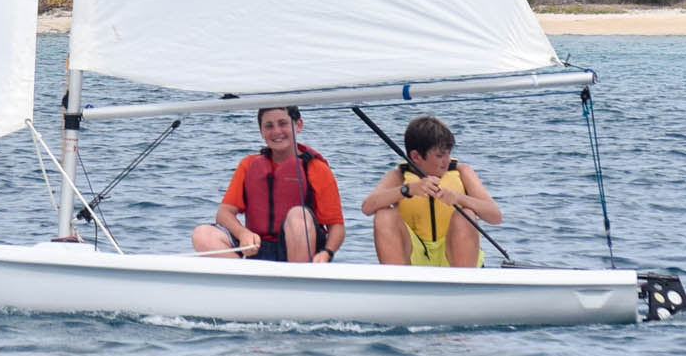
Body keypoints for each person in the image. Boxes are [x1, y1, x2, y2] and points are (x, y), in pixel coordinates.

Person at [191, 105, 343, 262]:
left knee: (298, 216)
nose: (276, 131)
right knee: (202, 234)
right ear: (261, 131)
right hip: (256, 248)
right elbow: (224, 213)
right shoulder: (248, 165)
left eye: (283, 123)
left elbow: (336, 227)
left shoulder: (317, 169)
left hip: (302, 247)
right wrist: (243, 234)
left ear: (298, 125)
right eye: (269, 126)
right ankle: (245, 281)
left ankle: (296, 281)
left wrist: (327, 252)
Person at [361, 115, 501, 267]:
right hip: (416, 254)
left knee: (466, 215)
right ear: (416, 156)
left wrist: (459, 198)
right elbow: (367, 207)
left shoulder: (463, 172)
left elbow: (495, 216)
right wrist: (408, 189)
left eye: (448, 153)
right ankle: (398, 283)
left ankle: (464, 282)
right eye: (440, 156)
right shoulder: (398, 176)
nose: (446, 161)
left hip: (451, 254)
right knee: (384, 214)